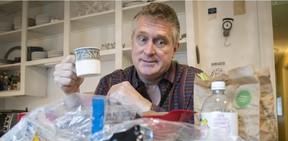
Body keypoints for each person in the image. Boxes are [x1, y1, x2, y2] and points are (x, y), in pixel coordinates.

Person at [54, 2, 202, 123]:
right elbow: (89, 138)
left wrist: (142, 105)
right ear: (132, 42)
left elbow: (205, 140)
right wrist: (72, 94)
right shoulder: (110, 82)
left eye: (160, 41)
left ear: (175, 48)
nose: (149, 51)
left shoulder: (196, 82)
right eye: (142, 39)